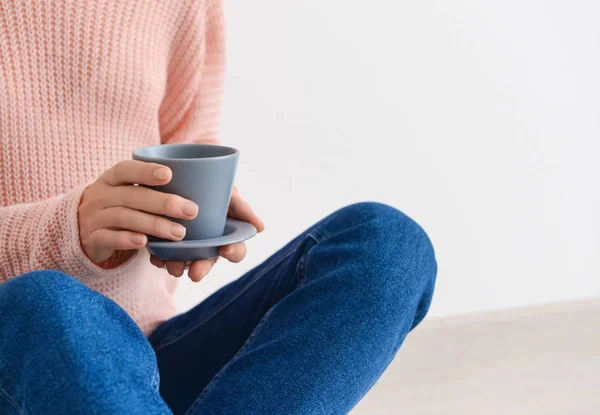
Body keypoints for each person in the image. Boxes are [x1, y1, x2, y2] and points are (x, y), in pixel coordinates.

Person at [0, 1, 437, 414]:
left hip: (147, 354)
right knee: (45, 300)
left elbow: (190, 146)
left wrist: (195, 218)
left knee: (389, 244)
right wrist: (63, 229)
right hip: (18, 348)